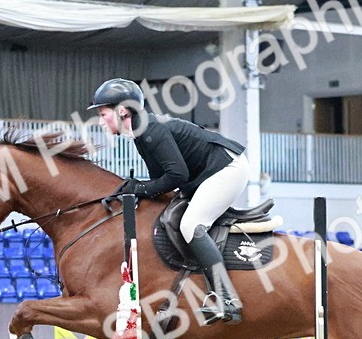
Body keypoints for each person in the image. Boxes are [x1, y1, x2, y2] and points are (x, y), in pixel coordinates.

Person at [89, 78, 248, 324]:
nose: (100, 121)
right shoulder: (140, 133)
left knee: (190, 224)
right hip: (204, 174)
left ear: (122, 110)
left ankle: (228, 300)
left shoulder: (152, 130)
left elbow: (176, 176)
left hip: (226, 168)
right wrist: (135, 189)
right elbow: (160, 180)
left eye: (103, 114)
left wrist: (139, 188)